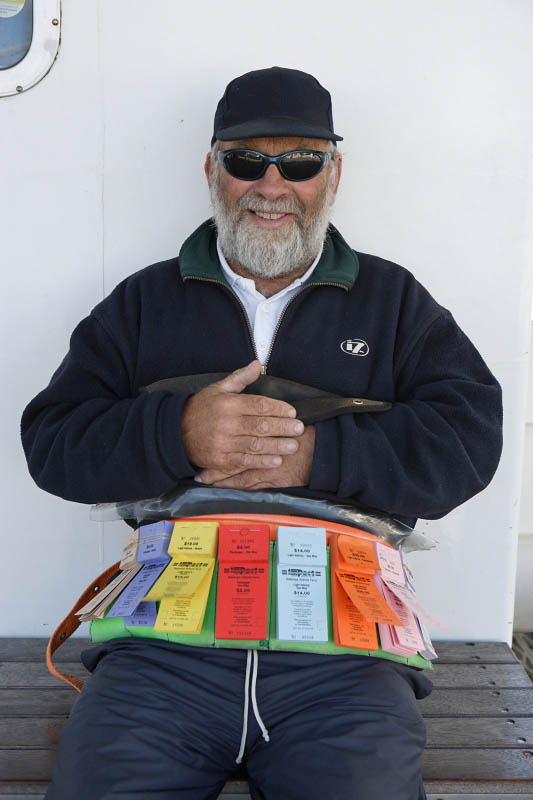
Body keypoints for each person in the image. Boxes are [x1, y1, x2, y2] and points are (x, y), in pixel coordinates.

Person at [21, 66, 503, 800]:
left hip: (348, 656)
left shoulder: (395, 301)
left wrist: (314, 452)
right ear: (211, 169)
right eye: (247, 161)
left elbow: (468, 441)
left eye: (300, 161)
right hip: (161, 652)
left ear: (332, 174)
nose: (271, 185)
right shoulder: (142, 303)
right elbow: (52, 443)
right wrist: (178, 433)